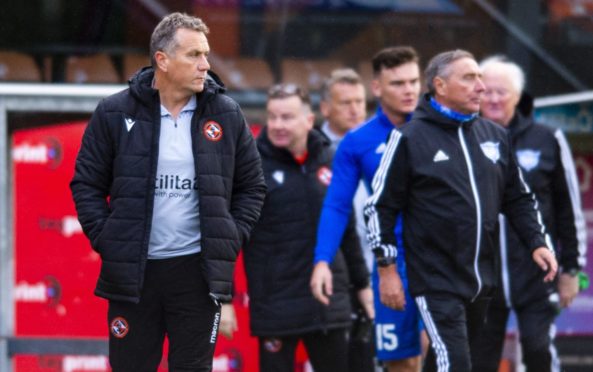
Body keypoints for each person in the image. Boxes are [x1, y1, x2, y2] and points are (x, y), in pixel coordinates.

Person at [70, 12, 266, 371]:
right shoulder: (114, 112)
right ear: (162, 59)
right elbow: (86, 184)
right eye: (194, 55)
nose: (205, 65)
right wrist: (109, 239)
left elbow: (252, 186)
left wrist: (230, 236)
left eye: (205, 54)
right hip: (134, 277)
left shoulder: (225, 113)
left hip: (196, 274)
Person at [364, 49, 558, 371]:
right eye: (470, 78)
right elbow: (378, 208)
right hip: (435, 280)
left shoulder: (495, 136)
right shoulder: (409, 138)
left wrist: (538, 242)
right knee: (454, 363)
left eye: (480, 77)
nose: (480, 87)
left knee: (444, 359)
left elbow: (519, 198)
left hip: (481, 281)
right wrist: (387, 270)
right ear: (440, 86)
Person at [311, 46, 426, 372]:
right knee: (400, 362)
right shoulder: (357, 142)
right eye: (397, 83)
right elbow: (336, 204)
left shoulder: (437, 129)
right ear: (377, 88)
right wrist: (322, 259)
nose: (408, 91)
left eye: (413, 82)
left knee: (440, 353)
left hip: (440, 260)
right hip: (391, 264)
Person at [472, 55, 587, 372]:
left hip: (538, 276)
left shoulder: (547, 139)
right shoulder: (465, 140)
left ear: (517, 96)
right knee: (480, 361)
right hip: (483, 278)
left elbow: (569, 210)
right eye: (487, 91)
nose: (494, 99)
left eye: (502, 92)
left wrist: (571, 270)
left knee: (537, 350)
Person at [243, 83, 369, 372]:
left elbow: (346, 229)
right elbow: (229, 234)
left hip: (327, 301)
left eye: (286, 117)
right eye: (272, 117)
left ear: (309, 120)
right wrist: (222, 299)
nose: (276, 125)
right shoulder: (250, 164)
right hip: (275, 305)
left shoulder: (331, 158)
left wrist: (362, 286)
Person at [318, 68, 375, 371]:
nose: (355, 109)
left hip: (376, 272)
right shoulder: (312, 149)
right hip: (332, 277)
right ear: (325, 108)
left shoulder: (381, 147)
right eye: (346, 103)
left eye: (360, 102)